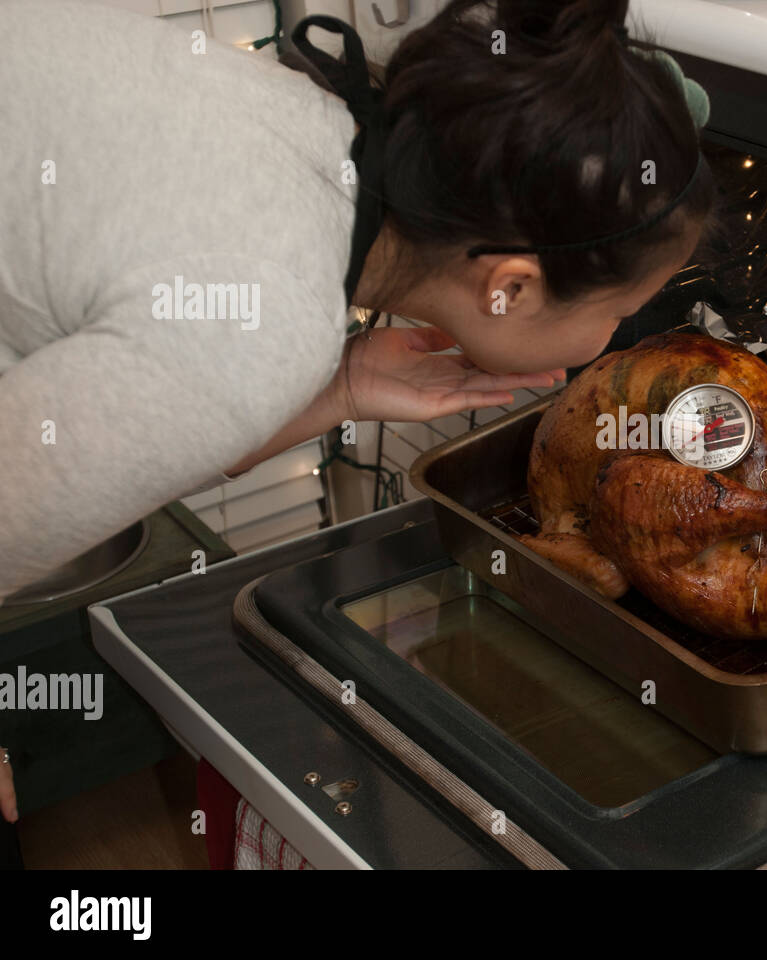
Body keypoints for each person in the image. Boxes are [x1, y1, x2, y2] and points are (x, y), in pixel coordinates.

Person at [0, 0, 718, 827]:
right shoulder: (262, 320)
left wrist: (338, 386)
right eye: (625, 308)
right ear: (510, 285)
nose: (612, 341)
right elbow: (213, 360)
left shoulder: (304, 121)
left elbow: (148, 393)